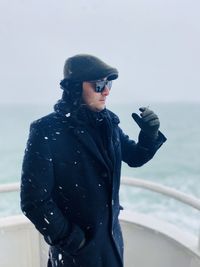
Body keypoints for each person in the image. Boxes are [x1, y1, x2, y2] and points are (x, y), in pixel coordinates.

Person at [20, 54, 167, 267]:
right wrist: (72, 239)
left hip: (111, 245)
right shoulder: (47, 130)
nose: (106, 91)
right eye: (98, 85)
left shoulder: (108, 123)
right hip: (75, 254)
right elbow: (34, 201)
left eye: (108, 84)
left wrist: (149, 135)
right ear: (75, 88)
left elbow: (135, 157)